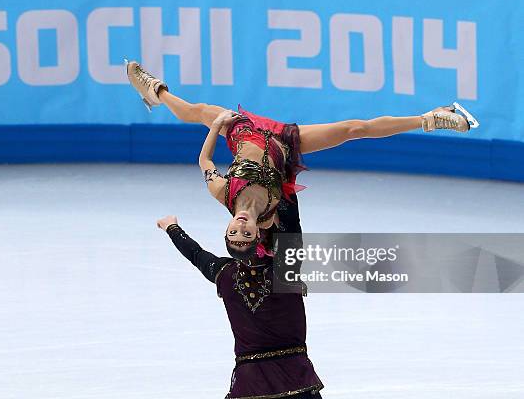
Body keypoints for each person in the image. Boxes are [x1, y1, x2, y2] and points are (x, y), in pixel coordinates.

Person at [127, 60, 477, 260]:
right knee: (355, 128)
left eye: (233, 231)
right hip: (283, 142)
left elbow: (204, 162)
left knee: (194, 111)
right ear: (255, 233)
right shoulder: (270, 216)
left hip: (243, 132)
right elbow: (289, 243)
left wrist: (217, 127)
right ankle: (433, 118)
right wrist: (289, 277)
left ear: (229, 226)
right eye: (245, 234)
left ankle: (155, 92)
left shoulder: (223, 193)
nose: (241, 227)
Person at [157, 193, 324, 398]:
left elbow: (196, 254)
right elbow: (291, 223)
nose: (241, 227)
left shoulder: (224, 272)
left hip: (253, 382)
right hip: (291, 377)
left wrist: (172, 228)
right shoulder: (284, 268)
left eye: (238, 232)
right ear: (257, 236)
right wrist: (280, 184)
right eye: (240, 234)